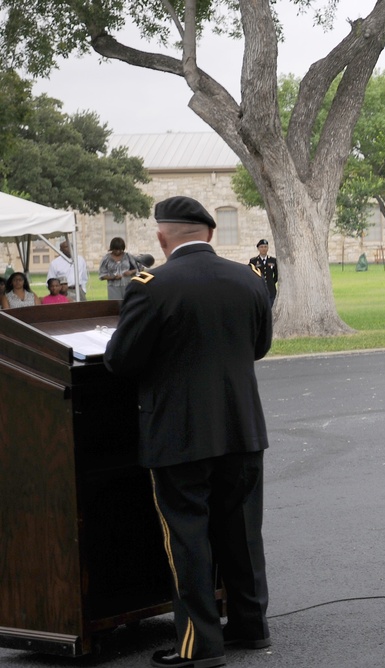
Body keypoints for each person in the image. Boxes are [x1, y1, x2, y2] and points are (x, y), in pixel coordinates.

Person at [104, 196, 273, 668]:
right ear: (210, 234)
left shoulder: (150, 285)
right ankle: (250, 626)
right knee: (242, 533)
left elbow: (121, 360)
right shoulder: (250, 279)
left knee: (188, 538)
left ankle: (199, 644)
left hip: (178, 435)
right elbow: (259, 347)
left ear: (162, 237)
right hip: (242, 428)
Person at [248, 239, 278, 307]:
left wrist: (272, 282)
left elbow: (277, 274)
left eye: (265, 247)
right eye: (261, 247)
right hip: (259, 290)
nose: (263, 249)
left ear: (268, 248)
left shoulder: (273, 260)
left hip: (271, 290)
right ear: (258, 248)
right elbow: (250, 274)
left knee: (270, 309)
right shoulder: (253, 261)